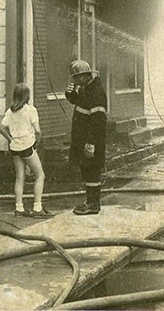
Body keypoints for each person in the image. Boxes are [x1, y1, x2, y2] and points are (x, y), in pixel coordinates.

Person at [0, 83, 53, 218]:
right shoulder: (31, 110)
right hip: (28, 146)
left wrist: (11, 139)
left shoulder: (10, 111)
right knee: (40, 175)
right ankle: (37, 208)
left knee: (19, 177)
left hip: (15, 147)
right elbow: (38, 131)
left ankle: (19, 208)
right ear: (27, 96)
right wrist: (36, 143)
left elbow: (2, 128)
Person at [64, 59, 107, 215]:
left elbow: (98, 121)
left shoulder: (96, 92)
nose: (75, 80)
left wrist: (91, 143)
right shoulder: (87, 89)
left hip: (90, 140)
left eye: (76, 78)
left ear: (83, 76)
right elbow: (79, 103)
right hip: (83, 139)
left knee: (92, 171)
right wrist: (70, 95)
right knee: (87, 170)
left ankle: (93, 204)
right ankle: (90, 201)